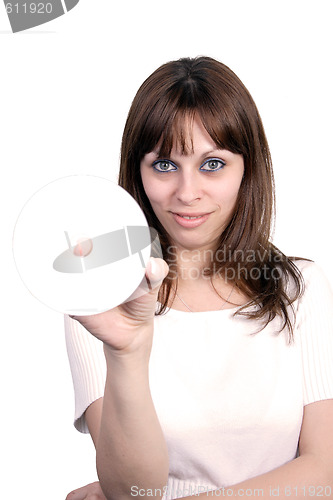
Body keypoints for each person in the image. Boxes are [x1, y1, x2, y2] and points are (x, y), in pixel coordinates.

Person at [65, 57, 333, 500]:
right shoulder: (104, 298)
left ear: (247, 168)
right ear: (139, 172)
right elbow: (132, 491)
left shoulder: (298, 289)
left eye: (212, 164)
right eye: (165, 165)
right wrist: (129, 351)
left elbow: (324, 473)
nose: (187, 193)